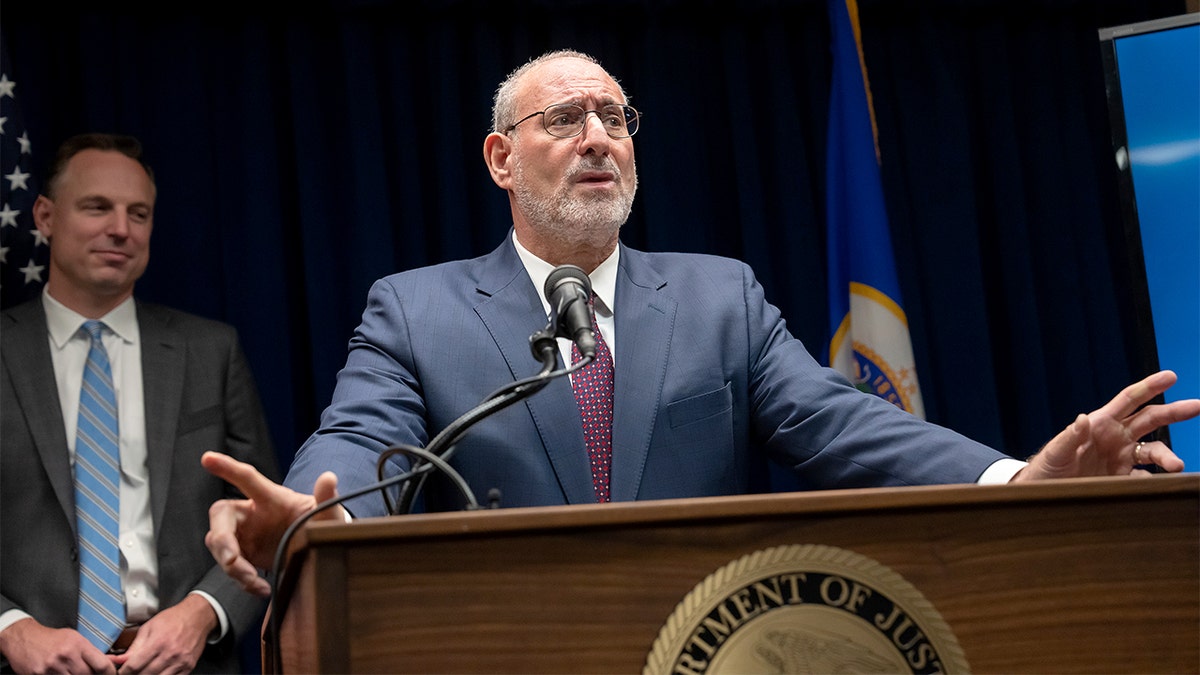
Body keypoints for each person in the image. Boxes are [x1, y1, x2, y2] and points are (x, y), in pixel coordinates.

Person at [202, 49, 1199, 598]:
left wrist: (1021, 481)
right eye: (565, 120)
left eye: (617, 118)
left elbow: (847, 429)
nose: (599, 137)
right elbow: (360, 443)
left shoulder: (721, 297)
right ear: (501, 159)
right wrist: (312, 511)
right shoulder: (415, 309)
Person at [0, 133, 281, 674]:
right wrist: (13, 630)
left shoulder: (210, 351)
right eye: (97, 207)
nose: (120, 229)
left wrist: (203, 613)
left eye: (139, 213)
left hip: (186, 664)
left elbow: (262, 524)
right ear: (45, 215)